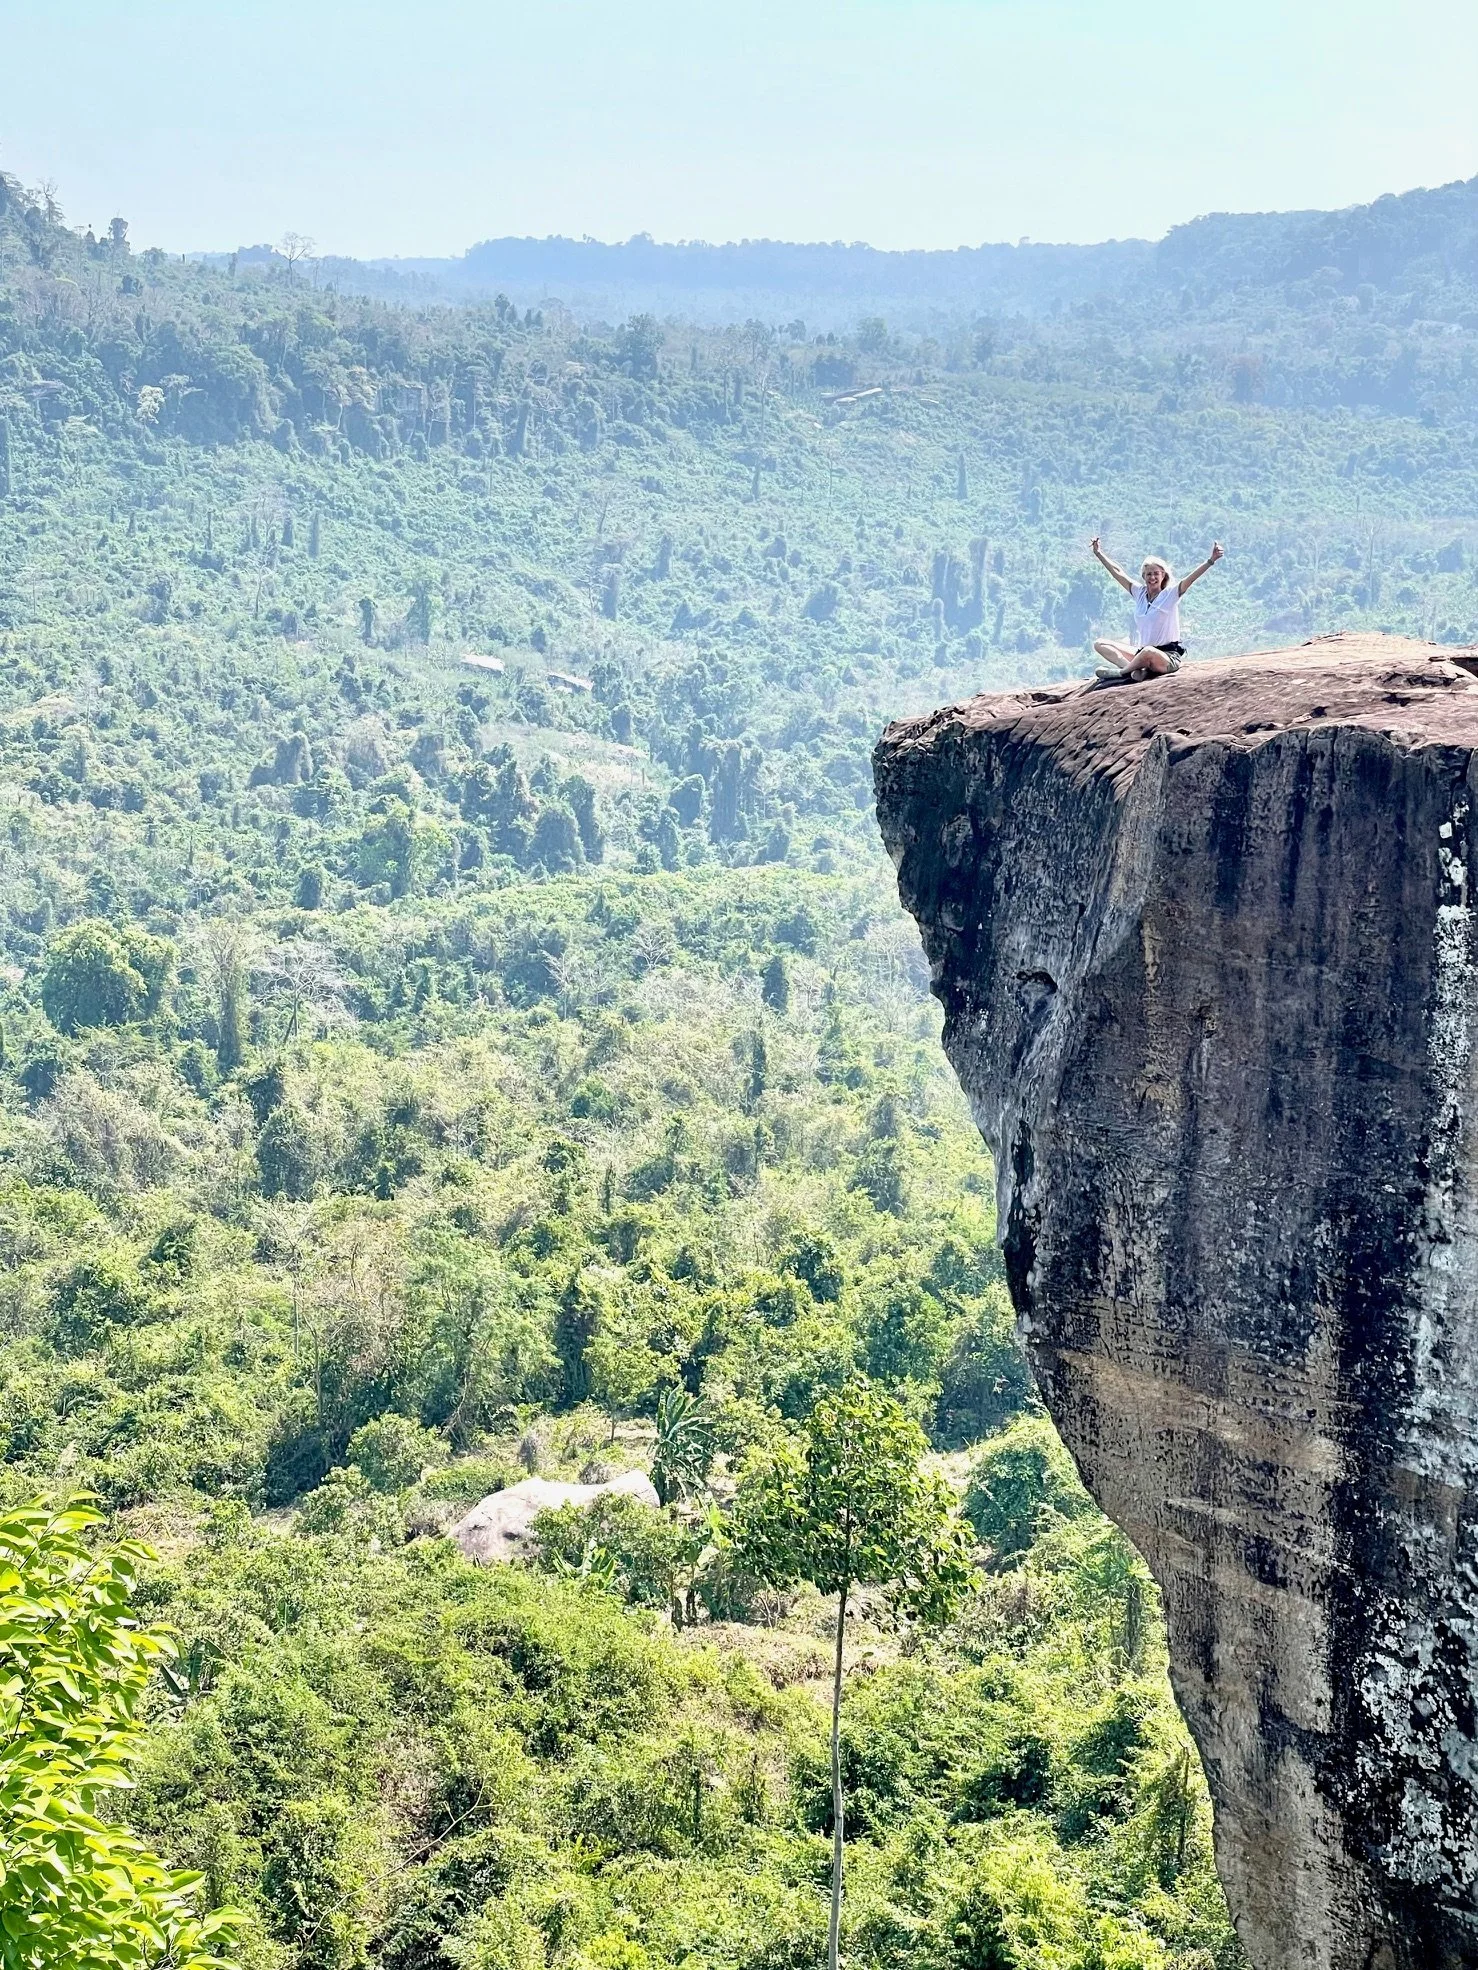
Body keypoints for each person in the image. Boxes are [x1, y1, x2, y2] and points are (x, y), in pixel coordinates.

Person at [1088, 538, 1224, 681]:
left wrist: (1211, 560)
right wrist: (1098, 553)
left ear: (1163, 575)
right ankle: (1133, 670)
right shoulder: (1139, 593)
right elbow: (1118, 572)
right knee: (1100, 644)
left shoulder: (1170, 595)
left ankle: (1122, 673)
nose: (1152, 577)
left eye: (1156, 574)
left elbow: (1190, 580)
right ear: (1143, 576)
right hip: (1142, 655)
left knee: (1148, 652)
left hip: (1166, 657)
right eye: (1149, 574)